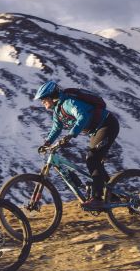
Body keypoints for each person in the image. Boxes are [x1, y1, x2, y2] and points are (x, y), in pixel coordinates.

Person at [33, 80, 120, 210]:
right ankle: (112, 195)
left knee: (92, 159)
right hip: (96, 130)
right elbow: (56, 129)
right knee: (95, 162)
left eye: (44, 99)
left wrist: (71, 134)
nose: (42, 102)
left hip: (107, 125)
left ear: (51, 96)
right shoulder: (57, 110)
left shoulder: (68, 103)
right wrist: (47, 143)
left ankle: (97, 199)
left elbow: (82, 116)